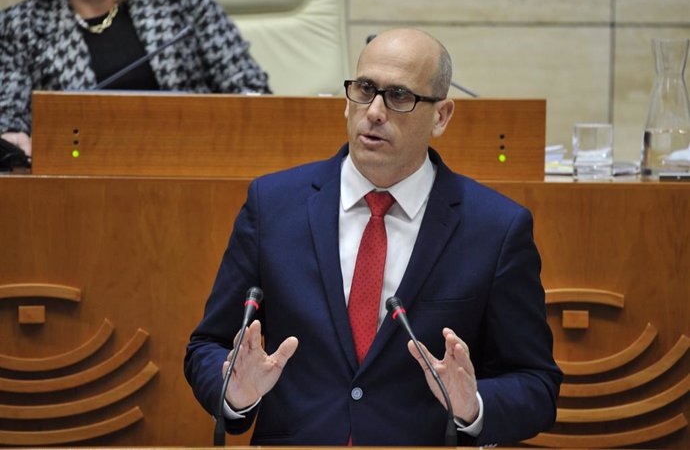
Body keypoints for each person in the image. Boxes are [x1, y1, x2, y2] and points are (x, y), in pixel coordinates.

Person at [184, 27, 562, 447]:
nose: (375, 111)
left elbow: (537, 385)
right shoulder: (273, 205)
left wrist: (472, 404)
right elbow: (208, 344)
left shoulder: (495, 228)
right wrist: (236, 392)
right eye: (364, 89)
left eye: (399, 96)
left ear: (441, 116)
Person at [0, 0, 271, 157]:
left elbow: (248, 87)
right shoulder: (20, 24)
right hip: (79, 178)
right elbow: (9, 119)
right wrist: (15, 144)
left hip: (191, 163)